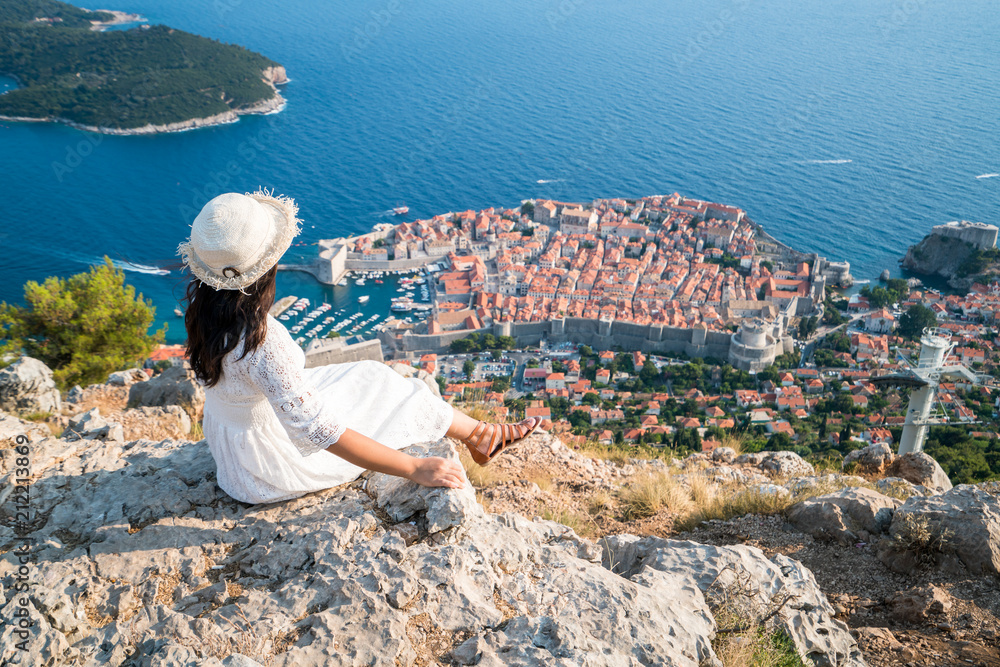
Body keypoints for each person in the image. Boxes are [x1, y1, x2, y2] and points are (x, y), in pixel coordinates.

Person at [177, 189, 539, 505]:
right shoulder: (263, 341)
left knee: (372, 374)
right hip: (266, 470)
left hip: (234, 449)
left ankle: (481, 436)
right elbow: (322, 433)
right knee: (397, 394)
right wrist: (414, 468)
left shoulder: (204, 311)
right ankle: (481, 435)